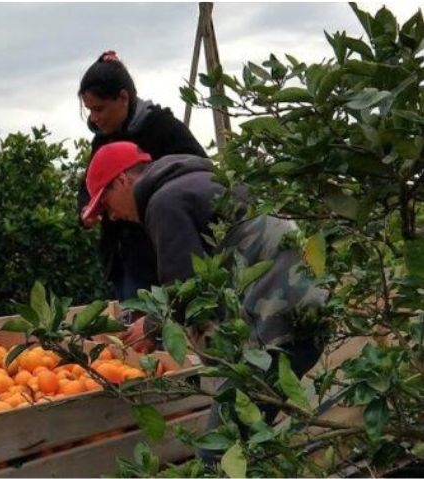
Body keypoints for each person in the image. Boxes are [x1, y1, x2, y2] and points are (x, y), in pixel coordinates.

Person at [81, 141, 327, 460]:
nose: (111, 216)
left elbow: (186, 291)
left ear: (122, 180)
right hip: (305, 311)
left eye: (106, 204)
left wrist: (152, 324)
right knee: (248, 443)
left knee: (219, 450)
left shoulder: (164, 202)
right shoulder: (197, 181)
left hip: (277, 329)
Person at [77, 50, 207, 302]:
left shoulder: (163, 128)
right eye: (89, 111)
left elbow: (199, 173)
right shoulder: (102, 139)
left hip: (163, 252)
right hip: (125, 259)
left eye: (99, 109)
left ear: (123, 98)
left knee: (171, 317)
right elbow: (89, 186)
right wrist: (86, 210)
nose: (94, 118)